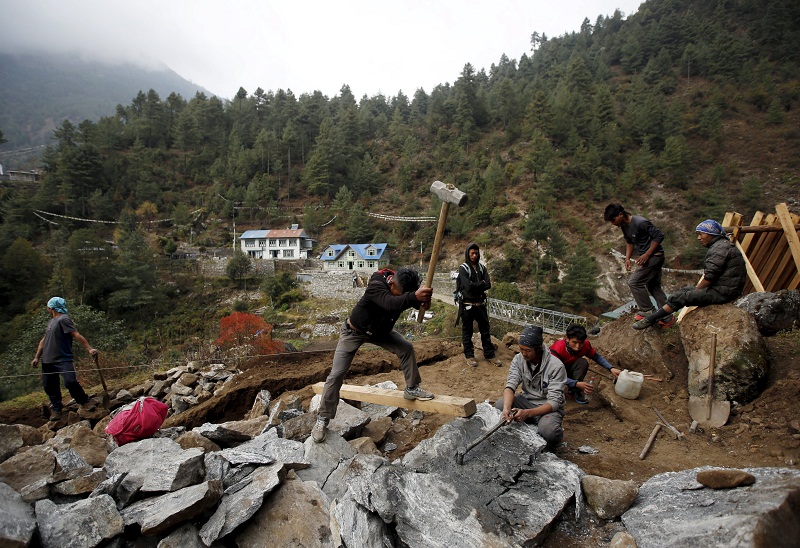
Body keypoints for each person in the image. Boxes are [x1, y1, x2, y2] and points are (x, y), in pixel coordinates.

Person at [313, 267, 434, 443]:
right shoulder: (376, 283)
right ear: (391, 282)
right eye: (397, 293)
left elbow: (415, 302)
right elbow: (390, 302)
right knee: (337, 374)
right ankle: (323, 419)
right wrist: (413, 297)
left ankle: (412, 388)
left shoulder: (404, 290)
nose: (397, 295)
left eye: (404, 294)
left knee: (406, 348)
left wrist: (424, 300)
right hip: (354, 332)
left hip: (380, 332)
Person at [633, 219, 746, 330]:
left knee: (682, 296)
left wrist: (696, 292)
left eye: (701, 234)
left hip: (723, 292)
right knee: (683, 291)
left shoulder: (719, 248)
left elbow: (710, 276)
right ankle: (661, 318)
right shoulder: (722, 245)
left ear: (711, 232)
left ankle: (652, 319)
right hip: (725, 289)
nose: (699, 238)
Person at [495, 325, 567, 448]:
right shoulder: (518, 359)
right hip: (527, 401)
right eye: (521, 349)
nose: (523, 353)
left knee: (549, 432)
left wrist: (527, 414)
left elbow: (554, 403)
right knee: (500, 405)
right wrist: (507, 408)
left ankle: (547, 429)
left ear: (538, 349)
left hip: (547, 408)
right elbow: (510, 386)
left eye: (527, 350)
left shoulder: (556, 366)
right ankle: (527, 419)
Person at [31, 297, 98, 420]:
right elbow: (43, 341)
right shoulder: (51, 322)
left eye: (48, 307)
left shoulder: (64, 319)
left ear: (51, 308)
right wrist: (36, 357)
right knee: (49, 386)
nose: (47, 309)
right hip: (47, 360)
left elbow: (76, 334)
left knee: (70, 381)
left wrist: (89, 349)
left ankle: (84, 401)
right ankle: (56, 408)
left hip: (63, 359)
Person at [604, 204, 670, 326]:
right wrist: (627, 258)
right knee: (653, 285)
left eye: (613, 220)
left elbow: (659, 236)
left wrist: (647, 254)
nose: (613, 223)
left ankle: (648, 311)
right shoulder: (624, 225)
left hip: (655, 256)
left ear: (620, 214)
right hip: (649, 257)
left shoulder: (641, 222)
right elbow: (629, 242)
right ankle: (667, 317)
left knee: (634, 282)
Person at [549, 323, 621, 404]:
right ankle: (567, 387)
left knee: (583, 362)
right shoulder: (556, 350)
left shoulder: (585, 345)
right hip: (554, 373)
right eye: (574, 342)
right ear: (567, 339)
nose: (577, 346)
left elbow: (596, 357)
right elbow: (553, 375)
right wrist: (575, 383)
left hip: (568, 368)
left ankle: (574, 391)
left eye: (581, 343)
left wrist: (611, 368)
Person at [458, 243, 500, 367]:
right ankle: (469, 356)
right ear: (468, 253)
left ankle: (490, 355)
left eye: (476, 253)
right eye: (472, 253)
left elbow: (488, 284)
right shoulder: (463, 268)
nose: (474, 255)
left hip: (480, 304)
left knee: (485, 330)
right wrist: (480, 284)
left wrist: (476, 285)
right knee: (467, 332)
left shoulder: (482, 268)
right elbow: (468, 286)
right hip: (467, 305)